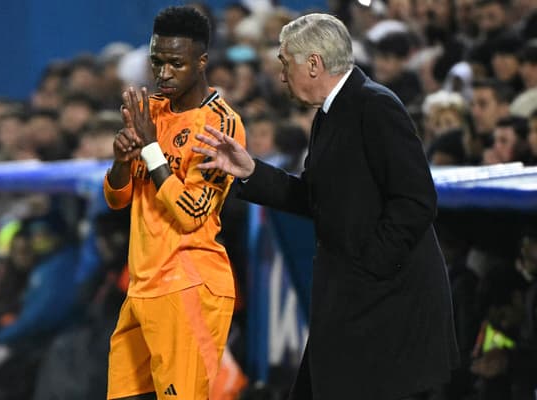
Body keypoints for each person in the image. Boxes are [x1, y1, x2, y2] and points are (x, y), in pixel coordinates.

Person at [193, 13, 458, 400]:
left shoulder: (376, 107)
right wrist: (250, 170)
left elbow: (417, 200)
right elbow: (314, 198)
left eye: (286, 63)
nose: (281, 76)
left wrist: (370, 266)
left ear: (314, 63)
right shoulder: (330, 114)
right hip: (352, 306)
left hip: (386, 310)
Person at [103, 6, 246, 400]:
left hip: (190, 285)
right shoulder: (150, 112)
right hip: (142, 286)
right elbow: (117, 199)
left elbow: (191, 213)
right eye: (157, 61)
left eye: (176, 64)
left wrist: (150, 147)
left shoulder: (220, 123)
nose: (163, 73)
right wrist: (120, 158)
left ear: (201, 63)